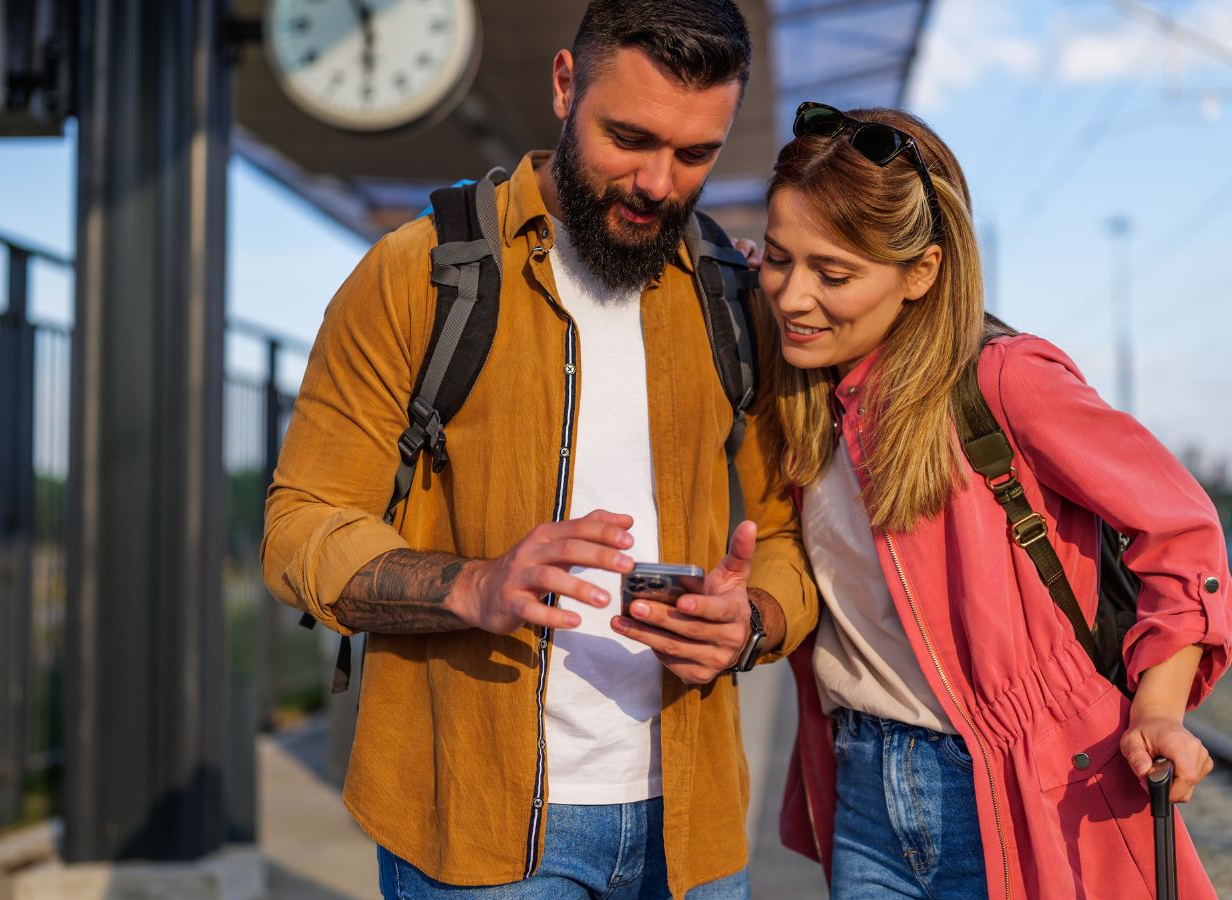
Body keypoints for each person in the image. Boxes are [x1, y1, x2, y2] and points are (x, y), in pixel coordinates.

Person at [260, 3, 818, 897]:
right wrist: (472, 585)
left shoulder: (732, 296)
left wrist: (752, 621)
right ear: (565, 85)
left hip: (692, 828)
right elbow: (299, 528)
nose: (656, 183)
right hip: (474, 832)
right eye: (628, 137)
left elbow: (793, 535)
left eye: (694, 155)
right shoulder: (414, 276)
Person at [754, 103, 1232, 898]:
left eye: (833, 273)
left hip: (1021, 793)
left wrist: (1159, 707)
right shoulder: (807, 400)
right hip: (862, 788)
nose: (793, 296)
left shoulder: (1005, 382)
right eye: (778, 259)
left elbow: (1183, 532)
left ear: (922, 273)